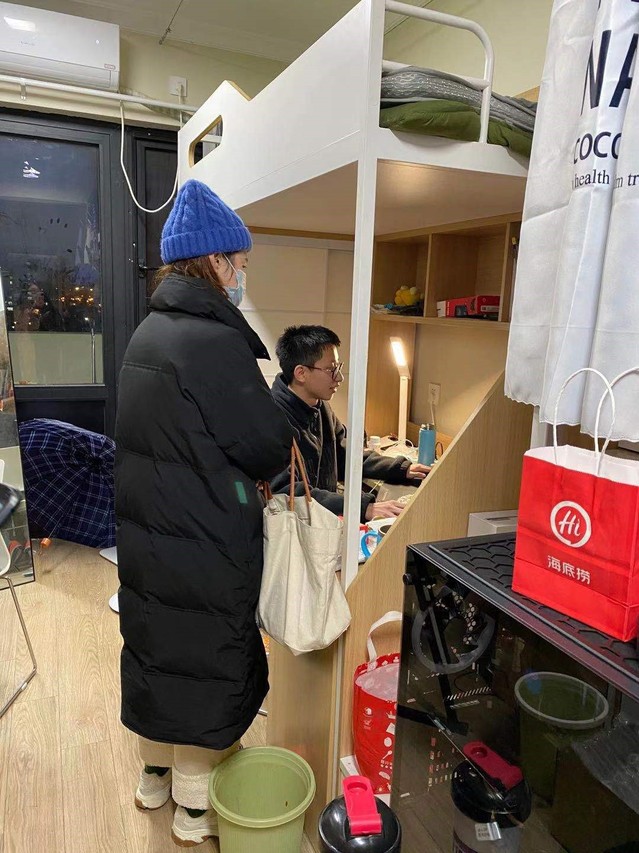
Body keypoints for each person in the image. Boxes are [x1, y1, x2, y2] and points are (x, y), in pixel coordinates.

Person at [115, 179, 293, 847]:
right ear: (214, 261)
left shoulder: (148, 332)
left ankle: (153, 778)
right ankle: (194, 810)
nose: (242, 276)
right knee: (204, 658)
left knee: (158, 650)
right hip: (202, 536)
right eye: (239, 263)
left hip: (150, 531)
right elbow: (264, 443)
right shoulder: (214, 343)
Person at [270, 325, 431, 523]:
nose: (339, 377)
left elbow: (345, 454)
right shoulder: (273, 418)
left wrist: (400, 468)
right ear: (301, 373)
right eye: (331, 369)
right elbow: (287, 492)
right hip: (296, 527)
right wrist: (361, 507)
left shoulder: (319, 406)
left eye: (338, 367)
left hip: (324, 521)